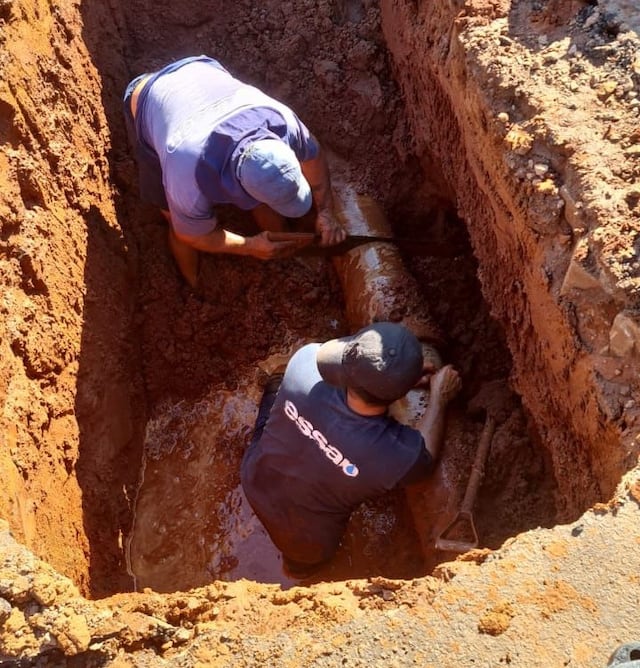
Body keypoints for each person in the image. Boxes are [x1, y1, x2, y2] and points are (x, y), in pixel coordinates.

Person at [241, 321, 462, 577]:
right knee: (306, 564)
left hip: (253, 478)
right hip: (305, 545)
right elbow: (426, 459)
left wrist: (388, 375)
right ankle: (298, 573)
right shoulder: (392, 457)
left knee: (277, 388)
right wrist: (438, 399)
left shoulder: (305, 361)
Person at [123, 54, 346, 287]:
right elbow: (190, 235)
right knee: (174, 219)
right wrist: (249, 246)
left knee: (262, 183)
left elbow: (314, 157)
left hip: (200, 71)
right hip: (147, 98)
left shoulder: (282, 122)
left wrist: (326, 211)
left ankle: (283, 250)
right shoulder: (186, 176)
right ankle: (194, 286)